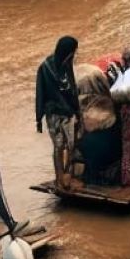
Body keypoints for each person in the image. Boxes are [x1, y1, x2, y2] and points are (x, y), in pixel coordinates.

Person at [35, 36, 81, 190]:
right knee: (58, 145)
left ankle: (68, 176)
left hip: (68, 112)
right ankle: (59, 177)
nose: (74, 55)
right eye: (73, 51)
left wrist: (77, 110)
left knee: (71, 144)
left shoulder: (66, 65)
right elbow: (40, 92)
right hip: (54, 113)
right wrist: (38, 118)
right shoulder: (45, 68)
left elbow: (72, 88)